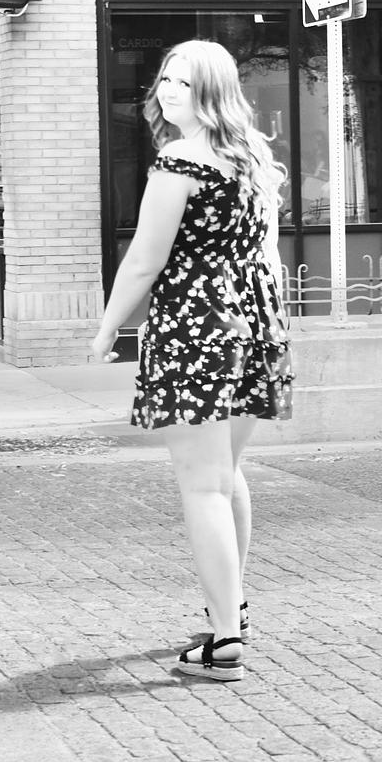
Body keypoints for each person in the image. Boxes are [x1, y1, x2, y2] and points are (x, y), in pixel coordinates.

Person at [89, 39, 292, 683]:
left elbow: (144, 261)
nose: (168, 90)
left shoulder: (179, 161)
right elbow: (267, 254)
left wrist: (107, 329)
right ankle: (234, 609)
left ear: (211, 91)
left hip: (196, 323)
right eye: (165, 79)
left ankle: (225, 639)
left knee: (204, 486)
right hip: (254, 319)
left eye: (183, 81)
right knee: (226, 474)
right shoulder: (253, 156)